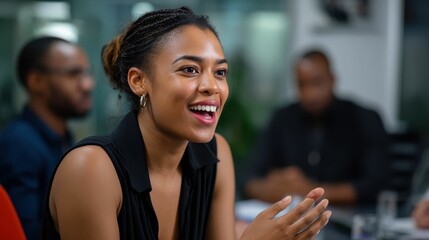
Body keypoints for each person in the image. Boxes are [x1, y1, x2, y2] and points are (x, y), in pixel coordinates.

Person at [40, 7, 331, 240]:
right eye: (189, 69)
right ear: (139, 81)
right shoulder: (90, 170)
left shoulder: (217, 155)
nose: (212, 86)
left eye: (220, 72)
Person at [243, 49, 389, 205]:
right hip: (291, 219)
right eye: (302, 85)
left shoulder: (364, 119)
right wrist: (275, 184)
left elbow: (375, 185)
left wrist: (310, 191)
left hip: (348, 219)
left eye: (317, 83)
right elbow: (248, 179)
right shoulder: (282, 118)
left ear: (332, 80)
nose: (309, 94)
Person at [0, 36, 94, 240]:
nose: (87, 84)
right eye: (73, 74)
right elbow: (23, 233)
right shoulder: (19, 144)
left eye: (87, 73)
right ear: (36, 81)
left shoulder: (62, 139)